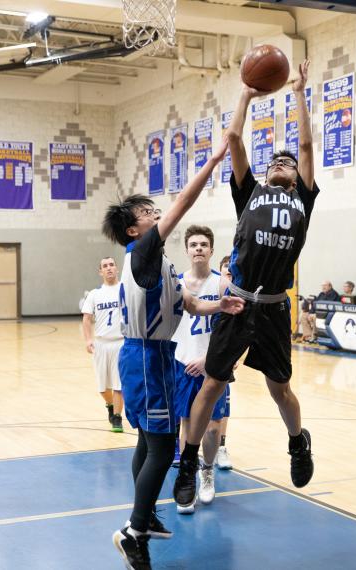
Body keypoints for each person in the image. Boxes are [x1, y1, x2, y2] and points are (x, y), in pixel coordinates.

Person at [174, 59, 318, 512]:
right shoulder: (249, 191)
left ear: (296, 178)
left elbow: (308, 144)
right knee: (212, 386)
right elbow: (234, 138)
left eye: (288, 163)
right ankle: (189, 464)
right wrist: (245, 96)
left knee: (279, 390)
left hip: (274, 308)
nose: (281, 162)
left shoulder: (303, 199)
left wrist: (297, 93)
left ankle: (298, 442)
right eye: (275, 159)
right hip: (236, 304)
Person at [104, 138, 243, 570]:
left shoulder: (159, 262)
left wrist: (219, 305)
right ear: (133, 229)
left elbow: (188, 304)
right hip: (146, 356)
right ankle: (133, 531)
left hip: (155, 355)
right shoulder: (142, 252)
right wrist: (214, 161)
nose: (154, 213)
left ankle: (146, 517)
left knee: (149, 440)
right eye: (145, 212)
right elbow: (182, 204)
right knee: (164, 448)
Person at [171, 225, 233, 514]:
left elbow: (232, 331)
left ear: (211, 250)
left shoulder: (221, 285)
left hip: (213, 365)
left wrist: (209, 359)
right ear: (186, 250)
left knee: (211, 428)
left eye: (203, 244)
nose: (198, 248)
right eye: (193, 244)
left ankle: (206, 470)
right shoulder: (176, 284)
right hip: (183, 363)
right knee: (187, 424)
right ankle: (189, 476)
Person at [81, 256, 124, 433]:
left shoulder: (125, 290)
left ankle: (117, 418)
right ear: (101, 271)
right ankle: (109, 405)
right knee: (102, 388)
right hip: (101, 344)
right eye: (105, 266)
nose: (109, 268)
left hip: (121, 343)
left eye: (112, 265)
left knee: (118, 385)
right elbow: (87, 318)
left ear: (117, 268)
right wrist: (88, 340)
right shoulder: (94, 294)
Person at [214, 255, 234, 470]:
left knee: (223, 408)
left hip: (223, 358)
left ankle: (221, 447)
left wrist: (238, 356)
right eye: (225, 268)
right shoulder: (209, 289)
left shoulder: (238, 294)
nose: (228, 271)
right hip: (197, 355)